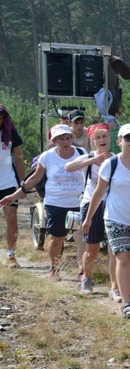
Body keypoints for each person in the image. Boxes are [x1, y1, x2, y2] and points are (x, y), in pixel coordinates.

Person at [82, 124, 130, 319]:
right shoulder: (110, 164)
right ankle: (126, 303)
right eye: (128, 137)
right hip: (115, 217)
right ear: (119, 140)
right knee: (122, 257)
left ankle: (129, 295)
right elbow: (98, 193)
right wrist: (88, 218)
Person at [1, 124, 85, 279]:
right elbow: (35, 178)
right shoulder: (47, 157)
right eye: (61, 139)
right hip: (56, 202)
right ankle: (54, 268)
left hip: (78, 201)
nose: (66, 141)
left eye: (68, 138)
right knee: (57, 238)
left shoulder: (81, 153)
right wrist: (15, 195)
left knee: (81, 236)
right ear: (54, 141)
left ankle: (82, 272)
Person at [64, 124, 117, 297]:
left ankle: (115, 286)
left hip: (112, 206)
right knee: (92, 249)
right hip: (90, 205)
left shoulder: (117, 158)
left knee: (114, 249)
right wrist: (92, 161)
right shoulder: (88, 157)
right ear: (93, 141)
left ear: (110, 138)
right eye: (98, 138)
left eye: (105, 137)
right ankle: (87, 277)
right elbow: (68, 168)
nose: (102, 141)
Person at [0, 105, 26, 268]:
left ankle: (11, 255)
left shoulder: (11, 134)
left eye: (1, 116)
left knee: (11, 217)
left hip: (8, 182)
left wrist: (23, 184)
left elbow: (19, 157)